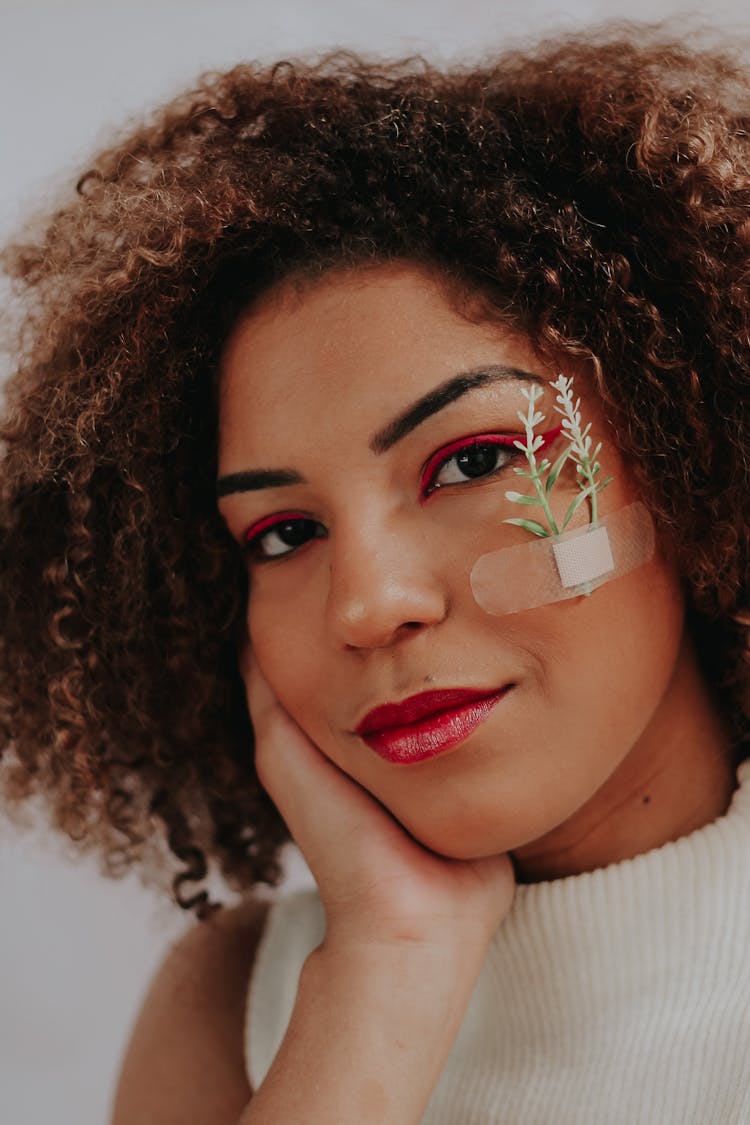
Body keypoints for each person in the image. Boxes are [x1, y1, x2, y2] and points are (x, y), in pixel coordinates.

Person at [1, 23, 749, 1124]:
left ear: (692, 462)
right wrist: (388, 971)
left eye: (476, 461)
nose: (367, 605)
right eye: (284, 535)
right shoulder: (235, 1008)